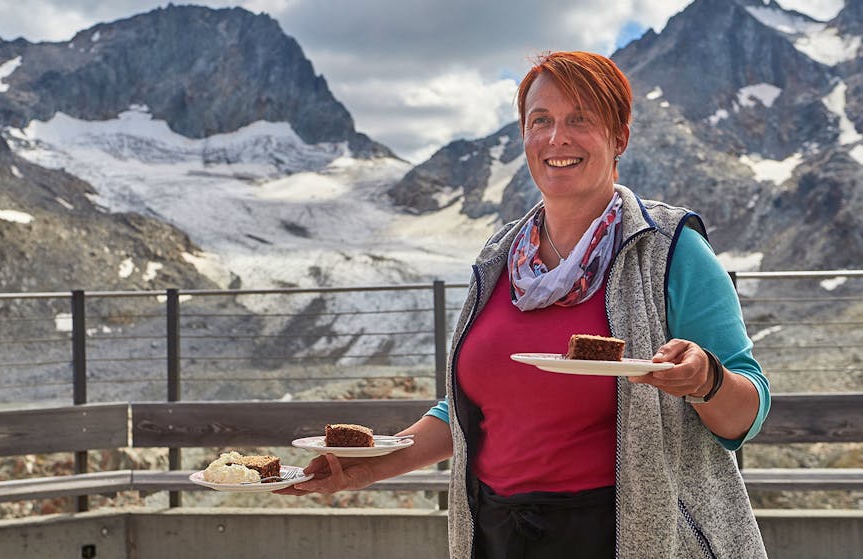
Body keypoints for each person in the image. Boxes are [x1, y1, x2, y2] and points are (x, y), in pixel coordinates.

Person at [279, 51, 771, 559]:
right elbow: (468, 411)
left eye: (580, 119)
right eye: (541, 121)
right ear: (524, 137)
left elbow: (747, 412)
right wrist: (368, 465)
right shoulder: (498, 258)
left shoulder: (669, 247)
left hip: (631, 534)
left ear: (619, 137)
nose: (557, 137)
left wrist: (706, 380)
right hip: (497, 535)